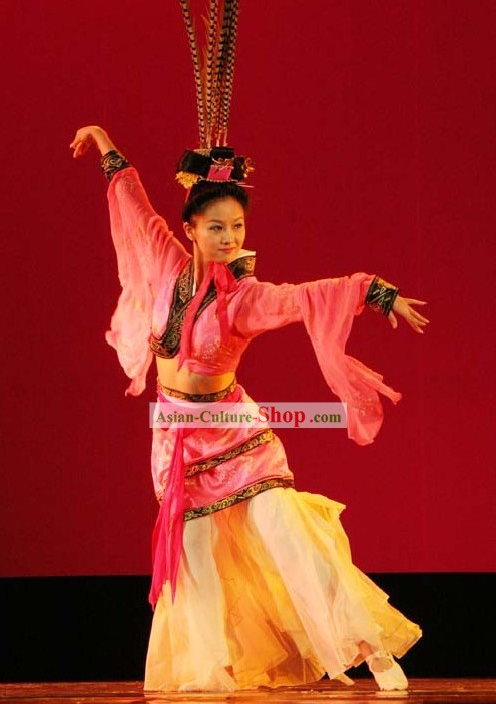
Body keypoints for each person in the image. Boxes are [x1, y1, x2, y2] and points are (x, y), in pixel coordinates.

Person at [70, 124, 428, 692]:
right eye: (216, 226)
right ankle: (209, 673)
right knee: (195, 559)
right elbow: (136, 210)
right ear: (190, 229)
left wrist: (375, 292)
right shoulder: (165, 263)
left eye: (237, 226)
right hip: (176, 436)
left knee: (287, 531)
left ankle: (367, 646)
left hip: (235, 434)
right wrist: (107, 147)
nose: (229, 237)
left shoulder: (246, 298)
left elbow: (306, 296)